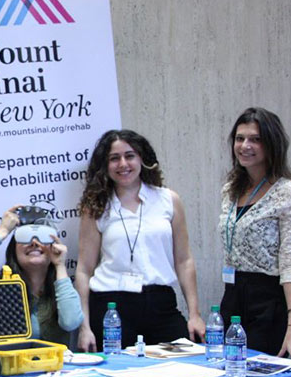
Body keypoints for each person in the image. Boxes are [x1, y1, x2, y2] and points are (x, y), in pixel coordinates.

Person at [75, 129, 205, 352]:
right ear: (105, 165)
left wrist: (195, 314)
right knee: (120, 371)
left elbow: (184, 260)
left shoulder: (168, 200)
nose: (123, 164)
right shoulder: (96, 206)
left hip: (161, 303)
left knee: (182, 363)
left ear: (142, 159)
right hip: (111, 308)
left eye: (129, 156)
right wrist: (84, 327)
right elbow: (84, 270)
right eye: (114, 158)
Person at [218, 107, 291, 359]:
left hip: (270, 298)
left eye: (255, 139)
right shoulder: (231, 190)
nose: (245, 146)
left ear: (271, 144)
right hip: (233, 293)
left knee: (261, 372)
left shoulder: (288, 192)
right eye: (240, 138)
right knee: (228, 369)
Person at [0, 205, 84, 346]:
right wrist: (3, 230)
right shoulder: (0, 285)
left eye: (42, 237)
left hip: (58, 359)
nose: (34, 242)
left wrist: (60, 266)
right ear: (13, 248)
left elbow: (70, 322)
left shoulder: (62, 288)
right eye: (24, 237)